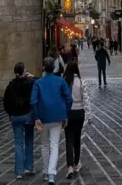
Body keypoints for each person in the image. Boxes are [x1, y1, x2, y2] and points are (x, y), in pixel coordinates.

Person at [31, 57, 72, 185]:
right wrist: (66, 113)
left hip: (43, 116)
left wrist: (36, 116)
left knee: (44, 144)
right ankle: (52, 173)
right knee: (54, 144)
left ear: (43, 68)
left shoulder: (38, 83)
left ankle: (45, 171)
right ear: (54, 68)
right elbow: (68, 98)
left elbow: (33, 100)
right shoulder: (60, 81)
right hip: (57, 115)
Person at [3, 61, 35, 180]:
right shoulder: (30, 83)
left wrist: (10, 114)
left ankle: (19, 171)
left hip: (15, 116)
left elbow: (6, 102)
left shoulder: (10, 85)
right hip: (27, 115)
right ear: (24, 72)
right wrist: (32, 76)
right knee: (29, 141)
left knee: (18, 143)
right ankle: (29, 166)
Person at [64, 61, 88, 178]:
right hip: (79, 112)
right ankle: (76, 163)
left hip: (68, 112)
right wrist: (89, 114)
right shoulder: (81, 82)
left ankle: (69, 166)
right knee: (77, 138)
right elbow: (86, 99)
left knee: (68, 139)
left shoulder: (65, 82)